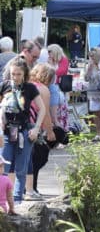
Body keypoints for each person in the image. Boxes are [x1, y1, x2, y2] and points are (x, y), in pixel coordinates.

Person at [0, 57, 45, 204]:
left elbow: (42, 109)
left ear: (24, 74)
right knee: (4, 166)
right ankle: (4, 201)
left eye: (18, 74)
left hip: (24, 132)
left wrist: (36, 128)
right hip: (6, 132)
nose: (15, 77)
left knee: (21, 168)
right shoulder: (4, 86)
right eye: (13, 74)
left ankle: (18, 200)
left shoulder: (30, 88)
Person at [24, 63, 56, 200]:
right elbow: (46, 113)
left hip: (21, 125)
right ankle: (31, 188)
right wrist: (50, 132)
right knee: (36, 159)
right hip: (34, 127)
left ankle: (26, 188)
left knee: (24, 159)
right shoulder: (43, 90)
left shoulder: (27, 84)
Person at [84, 47, 100, 142]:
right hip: (93, 92)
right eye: (90, 57)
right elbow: (86, 79)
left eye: (92, 57)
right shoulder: (90, 66)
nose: (91, 59)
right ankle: (98, 134)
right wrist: (89, 69)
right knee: (96, 114)